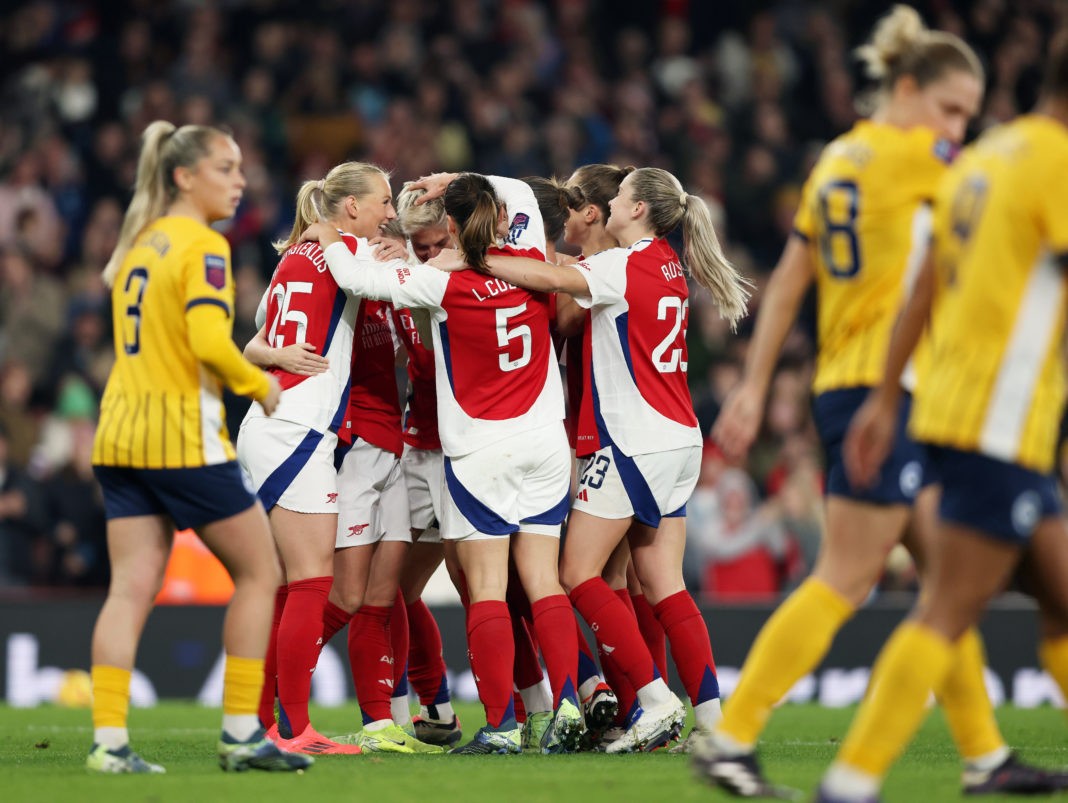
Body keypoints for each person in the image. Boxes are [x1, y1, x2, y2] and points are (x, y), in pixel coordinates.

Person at [689, 7, 1054, 797]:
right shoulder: (925, 158)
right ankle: (731, 732)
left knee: (939, 586)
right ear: (911, 87)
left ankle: (985, 755)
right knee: (848, 576)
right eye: (951, 107)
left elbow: (789, 279)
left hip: (851, 385)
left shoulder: (837, 159)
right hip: (888, 390)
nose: (956, 125)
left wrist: (754, 382)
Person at [813, 34, 1068, 803]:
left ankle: (872, 778)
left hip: (956, 405)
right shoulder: (1055, 163)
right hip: (1002, 421)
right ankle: (850, 782)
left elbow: (922, 280)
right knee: (946, 612)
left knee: (1058, 601)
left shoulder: (985, 157)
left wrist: (891, 398)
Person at [302, 172, 584, 755]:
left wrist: (325, 227)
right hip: (545, 444)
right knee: (542, 582)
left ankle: (503, 725)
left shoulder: (435, 283)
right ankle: (567, 706)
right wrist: (461, 179)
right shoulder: (528, 255)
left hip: (480, 449)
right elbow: (526, 197)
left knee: (483, 588)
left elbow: (353, 274)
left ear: (451, 227)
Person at [471, 165, 749, 753]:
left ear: (638, 210)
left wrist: (478, 262)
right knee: (665, 583)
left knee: (575, 573)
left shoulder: (622, 265)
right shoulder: (668, 265)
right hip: (679, 438)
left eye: (621, 195)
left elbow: (546, 277)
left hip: (631, 440)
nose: (612, 200)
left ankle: (653, 699)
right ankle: (716, 722)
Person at [87, 120, 309, 774]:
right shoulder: (204, 246)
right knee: (262, 573)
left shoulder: (140, 242)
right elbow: (210, 342)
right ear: (184, 176)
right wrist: (259, 385)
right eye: (225, 167)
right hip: (178, 436)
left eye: (240, 168)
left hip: (118, 434)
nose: (240, 181)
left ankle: (108, 742)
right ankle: (242, 732)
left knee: (128, 588)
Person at [238, 160, 394, 755]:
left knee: (283, 583)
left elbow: (255, 334)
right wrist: (362, 251)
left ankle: (259, 723)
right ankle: (294, 728)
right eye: (382, 200)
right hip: (298, 425)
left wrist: (267, 350)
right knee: (311, 582)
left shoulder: (295, 256)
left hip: (270, 420)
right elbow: (370, 285)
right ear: (350, 206)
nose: (389, 212)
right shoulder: (337, 249)